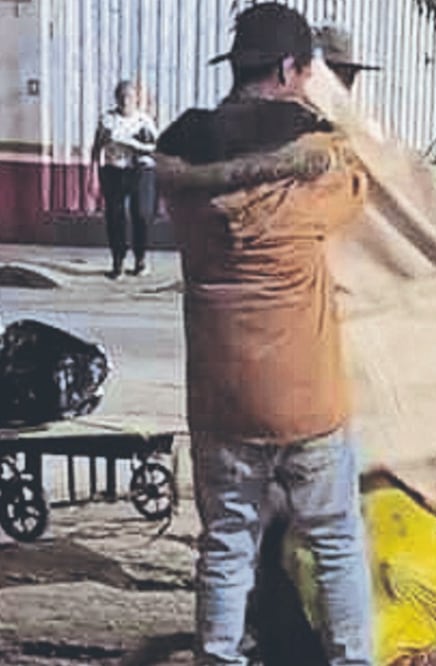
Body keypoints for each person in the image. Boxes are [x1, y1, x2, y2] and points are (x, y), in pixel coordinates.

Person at [154, 4, 373, 664]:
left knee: (225, 541)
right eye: (306, 70)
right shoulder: (318, 164)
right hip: (308, 402)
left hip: (223, 400)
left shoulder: (182, 170)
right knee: (334, 540)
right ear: (288, 68)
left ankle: (219, 655)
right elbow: (358, 192)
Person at [90, 80, 158, 278]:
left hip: (140, 172)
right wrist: (92, 175)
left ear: (136, 99)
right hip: (114, 171)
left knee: (142, 215)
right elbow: (97, 147)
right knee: (115, 217)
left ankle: (140, 260)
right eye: (121, 96)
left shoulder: (144, 121)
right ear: (116, 98)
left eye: (129, 96)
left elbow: (155, 147)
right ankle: (117, 262)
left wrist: (133, 144)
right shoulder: (107, 119)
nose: (125, 100)